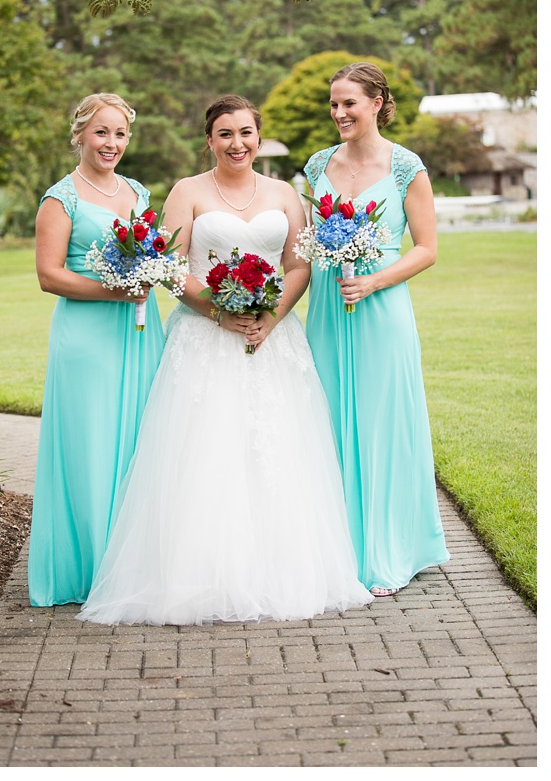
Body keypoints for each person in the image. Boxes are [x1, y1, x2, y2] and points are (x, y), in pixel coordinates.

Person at [77, 96, 372, 625]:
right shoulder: (188, 192)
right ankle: (200, 576)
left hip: (274, 340)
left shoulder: (284, 194)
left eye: (246, 133)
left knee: (277, 451)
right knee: (205, 452)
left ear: (259, 136)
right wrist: (219, 311)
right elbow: (168, 264)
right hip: (204, 340)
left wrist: (271, 316)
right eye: (225, 134)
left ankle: (279, 572)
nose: (237, 143)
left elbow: (297, 266)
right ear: (209, 140)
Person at [302, 63, 447, 597]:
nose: (339, 113)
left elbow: (427, 250)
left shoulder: (407, 166)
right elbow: (311, 237)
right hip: (326, 308)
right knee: (327, 420)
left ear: (377, 102)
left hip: (381, 310)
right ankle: (333, 548)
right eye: (334, 104)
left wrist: (373, 281)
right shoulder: (318, 163)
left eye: (349, 103)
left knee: (381, 424)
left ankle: (387, 550)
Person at [26, 94, 165, 607]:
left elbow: (152, 251)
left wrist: (152, 274)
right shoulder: (61, 198)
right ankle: (89, 569)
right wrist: (115, 290)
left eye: (120, 134)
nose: (112, 144)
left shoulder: (137, 191)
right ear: (81, 134)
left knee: (137, 442)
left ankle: (133, 566)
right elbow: (49, 275)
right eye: (102, 133)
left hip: (140, 333)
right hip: (87, 339)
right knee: (91, 444)